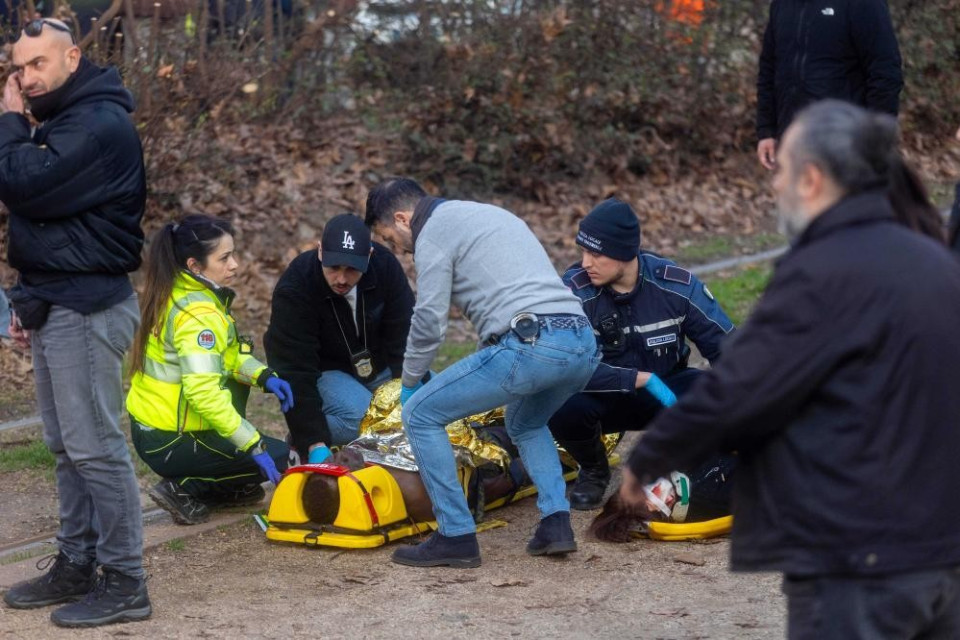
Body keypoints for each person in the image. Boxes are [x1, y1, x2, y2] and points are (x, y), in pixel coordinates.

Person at [621, 100, 960, 638]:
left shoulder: (823, 272)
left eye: (780, 170)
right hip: (943, 554)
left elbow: (740, 386)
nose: (773, 186)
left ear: (813, 178)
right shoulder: (936, 261)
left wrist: (649, 461)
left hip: (858, 560)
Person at [365, 178, 599, 568]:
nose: (399, 251)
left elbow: (429, 320)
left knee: (420, 414)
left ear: (403, 219)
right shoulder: (484, 214)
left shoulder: (434, 233)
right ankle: (556, 524)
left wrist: (410, 383)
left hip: (531, 343)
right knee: (525, 422)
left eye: (390, 239)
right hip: (580, 343)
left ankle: (455, 535)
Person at [0, 19, 150, 627]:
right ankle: (77, 561)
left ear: (73, 57)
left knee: (96, 447)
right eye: (17, 69)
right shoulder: (66, 122)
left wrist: (9, 123)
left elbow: (21, 185)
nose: (26, 79)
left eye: (37, 64)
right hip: (61, 303)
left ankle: (126, 579)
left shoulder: (97, 122)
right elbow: (56, 228)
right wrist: (27, 301)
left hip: (89, 308)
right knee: (67, 448)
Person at [548, 198, 735, 509]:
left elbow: (727, 350)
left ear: (624, 252)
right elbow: (562, 366)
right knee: (560, 403)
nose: (585, 263)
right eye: (582, 252)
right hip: (602, 392)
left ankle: (687, 460)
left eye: (595, 254)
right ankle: (594, 469)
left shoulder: (676, 286)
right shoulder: (573, 292)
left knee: (709, 390)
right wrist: (634, 378)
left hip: (663, 392)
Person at [126, 215, 291, 526]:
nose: (235, 265)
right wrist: (252, 443)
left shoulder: (179, 292)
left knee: (258, 467)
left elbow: (225, 356)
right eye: (225, 258)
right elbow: (202, 392)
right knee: (281, 457)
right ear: (195, 265)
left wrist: (263, 376)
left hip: (153, 430)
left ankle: (224, 486)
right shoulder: (198, 315)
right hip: (172, 439)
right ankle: (185, 488)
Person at [264, 213, 414, 463]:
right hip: (326, 371)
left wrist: (410, 393)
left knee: (430, 402)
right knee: (364, 417)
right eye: (334, 268)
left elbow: (405, 336)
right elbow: (294, 369)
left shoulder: (385, 267)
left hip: (380, 366)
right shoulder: (296, 286)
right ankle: (302, 439)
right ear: (321, 251)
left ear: (369, 257)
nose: (342, 279)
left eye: (352, 269)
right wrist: (312, 441)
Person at [756, 0, 903, 170]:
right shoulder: (781, 4)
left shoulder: (864, 4)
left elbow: (885, 72)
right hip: (792, 138)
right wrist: (767, 130)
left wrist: (875, 136)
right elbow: (769, 68)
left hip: (846, 141)